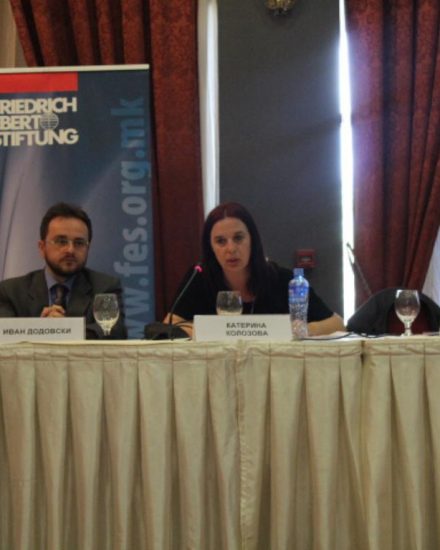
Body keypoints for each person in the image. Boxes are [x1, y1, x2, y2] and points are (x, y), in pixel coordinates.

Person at [164, 202, 345, 337]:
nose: (231, 249)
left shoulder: (282, 279)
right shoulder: (199, 277)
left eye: (238, 238)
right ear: (210, 247)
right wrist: (206, 330)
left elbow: (337, 324)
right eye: (220, 241)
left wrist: (302, 330)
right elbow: (170, 326)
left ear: (253, 240)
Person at [0, 202, 127, 339]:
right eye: (61, 241)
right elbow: (3, 335)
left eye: (79, 243)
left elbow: (114, 332)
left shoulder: (104, 288)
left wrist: (64, 330)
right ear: (42, 247)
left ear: (88, 248)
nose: (70, 250)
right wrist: (41, 329)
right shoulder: (10, 292)